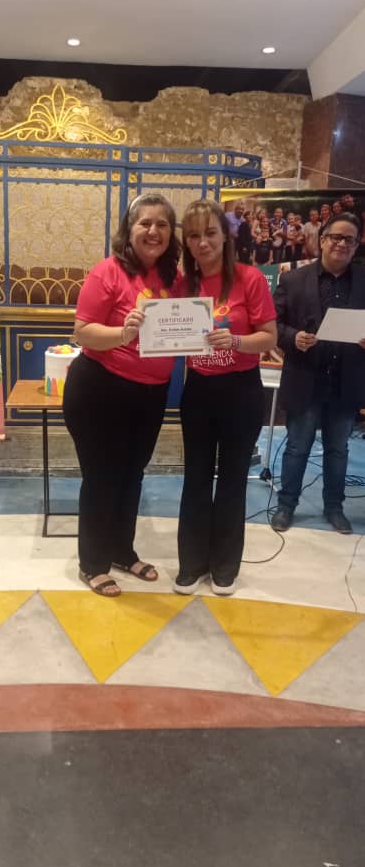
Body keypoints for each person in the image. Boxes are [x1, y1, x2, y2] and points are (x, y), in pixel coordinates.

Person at [63, 192, 181, 598]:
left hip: (150, 393)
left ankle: (121, 550)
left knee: (133, 475)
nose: (153, 231)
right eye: (145, 223)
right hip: (100, 388)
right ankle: (92, 563)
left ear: (171, 233)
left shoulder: (175, 279)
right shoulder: (107, 272)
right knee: (102, 477)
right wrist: (123, 333)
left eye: (162, 224)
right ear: (129, 231)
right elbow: (82, 331)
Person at [174, 200, 277, 597]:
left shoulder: (249, 279)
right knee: (196, 478)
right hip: (199, 390)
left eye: (210, 233)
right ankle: (191, 563)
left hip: (241, 390)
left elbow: (269, 336)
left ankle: (225, 566)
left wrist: (235, 340)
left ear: (226, 235)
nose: (202, 242)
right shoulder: (185, 285)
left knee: (232, 479)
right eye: (194, 235)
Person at [271, 212, 365, 534]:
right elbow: (272, 325)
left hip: (346, 381)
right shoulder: (292, 279)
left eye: (349, 239)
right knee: (297, 446)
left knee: (339, 450)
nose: (341, 243)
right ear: (322, 240)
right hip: (305, 378)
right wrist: (291, 337)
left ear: (356, 245)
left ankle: (334, 508)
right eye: (335, 237)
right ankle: (286, 505)